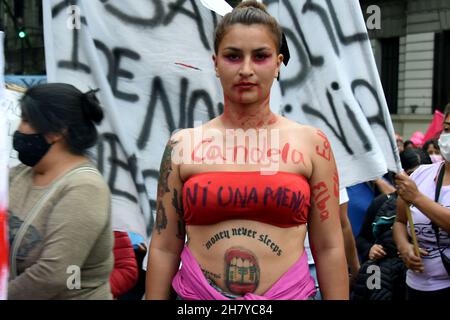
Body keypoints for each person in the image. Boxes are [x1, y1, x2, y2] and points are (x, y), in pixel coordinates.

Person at [145, 1, 348, 300]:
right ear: (216, 63)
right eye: (233, 56)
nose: (246, 69)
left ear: (278, 63)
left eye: (261, 56)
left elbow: (329, 246)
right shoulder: (182, 145)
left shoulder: (312, 144)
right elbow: (164, 246)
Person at [8, 83, 114, 299]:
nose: (19, 129)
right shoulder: (19, 174)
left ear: (57, 131)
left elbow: (54, 275)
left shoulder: (85, 189)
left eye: (27, 121)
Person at [353, 148, 431, 300]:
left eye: (422, 173)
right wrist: (370, 248)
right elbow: (362, 238)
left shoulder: (437, 204)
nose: (416, 179)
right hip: (379, 276)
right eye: (411, 174)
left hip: (420, 279)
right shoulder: (382, 202)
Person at [393, 106, 450, 300]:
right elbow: (400, 221)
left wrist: (417, 198)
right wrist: (404, 247)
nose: (448, 136)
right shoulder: (420, 174)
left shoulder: (415, 191)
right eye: (447, 129)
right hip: (416, 288)